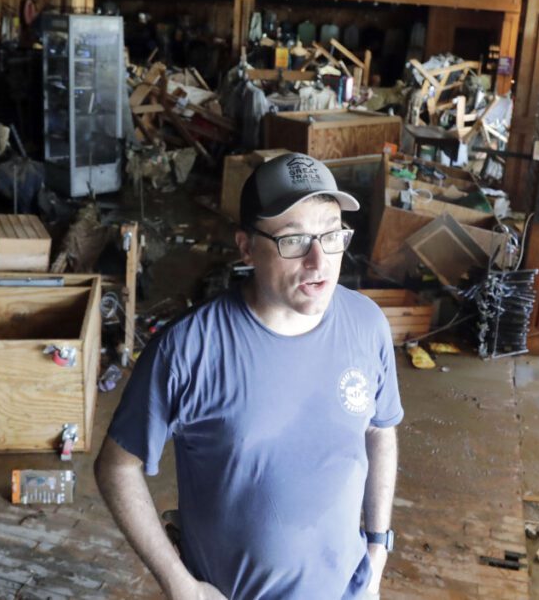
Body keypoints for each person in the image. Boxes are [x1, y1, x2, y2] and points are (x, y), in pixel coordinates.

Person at [95, 153, 403, 599]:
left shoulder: (367, 323)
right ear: (245, 247)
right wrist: (181, 586)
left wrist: (377, 547)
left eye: (331, 235)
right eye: (294, 239)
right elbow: (116, 467)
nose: (319, 261)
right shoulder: (189, 349)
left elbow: (380, 431)